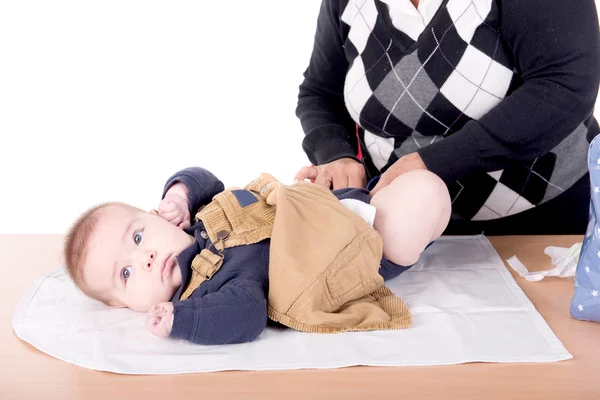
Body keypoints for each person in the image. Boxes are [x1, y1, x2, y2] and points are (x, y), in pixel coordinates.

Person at [294, 0, 600, 235]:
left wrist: (431, 163)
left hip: (543, 221)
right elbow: (320, 93)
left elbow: (566, 86)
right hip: (402, 229)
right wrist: (336, 154)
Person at [63, 166, 451, 345]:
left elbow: (206, 179)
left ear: (156, 216)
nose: (145, 257)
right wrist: (181, 320)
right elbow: (246, 315)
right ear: (122, 305)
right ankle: (419, 218)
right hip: (357, 249)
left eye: (137, 236)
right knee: (423, 195)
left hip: (332, 205)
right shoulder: (207, 292)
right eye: (126, 274)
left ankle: (398, 199)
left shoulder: (197, 218)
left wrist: (179, 194)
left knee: (405, 190)